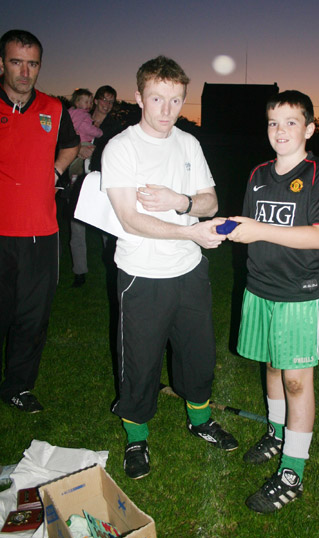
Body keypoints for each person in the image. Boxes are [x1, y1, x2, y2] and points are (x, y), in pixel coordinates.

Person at [101, 55, 238, 479]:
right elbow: (130, 219)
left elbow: (210, 202)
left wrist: (180, 203)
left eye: (176, 100)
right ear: (140, 96)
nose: (167, 110)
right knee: (139, 362)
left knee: (198, 356)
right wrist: (190, 231)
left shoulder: (188, 144)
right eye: (158, 98)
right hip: (142, 274)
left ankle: (200, 422)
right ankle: (137, 437)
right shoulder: (121, 147)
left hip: (190, 273)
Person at [227, 90, 319, 513]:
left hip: (299, 295)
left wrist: (257, 230)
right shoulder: (257, 173)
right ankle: (276, 433)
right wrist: (228, 229)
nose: (280, 131)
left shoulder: (317, 173)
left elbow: (318, 236)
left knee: (296, 380)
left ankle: (292, 473)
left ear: (309, 129)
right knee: (271, 366)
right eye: (274, 122)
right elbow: (249, 225)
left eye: (291, 122)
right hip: (259, 288)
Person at [0, 29, 79, 412]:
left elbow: (71, 143)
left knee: (32, 317)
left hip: (41, 232)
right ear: (2, 63)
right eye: (16, 61)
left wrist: (57, 171)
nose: (25, 71)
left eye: (32, 64)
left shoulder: (53, 107)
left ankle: (18, 386)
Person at [69, 85, 122, 287]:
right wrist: (77, 150)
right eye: (104, 100)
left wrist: (93, 152)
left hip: (100, 179)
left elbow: (112, 149)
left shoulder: (113, 126)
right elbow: (64, 140)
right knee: (77, 227)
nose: (107, 105)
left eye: (111, 101)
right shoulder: (79, 115)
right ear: (96, 100)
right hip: (77, 179)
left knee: (107, 228)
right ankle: (79, 271)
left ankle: (113, 267)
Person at [67, 88, 103, 177]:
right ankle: (82, 173)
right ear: (77, 103)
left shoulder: (71, 112)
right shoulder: (82, 114)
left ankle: (75, 175)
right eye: (86, 102)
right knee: (93, 155)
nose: (89, 105)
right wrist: (99, 132)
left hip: (76, 142)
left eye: (90, 102)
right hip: (83, 142)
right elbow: (87, 128)